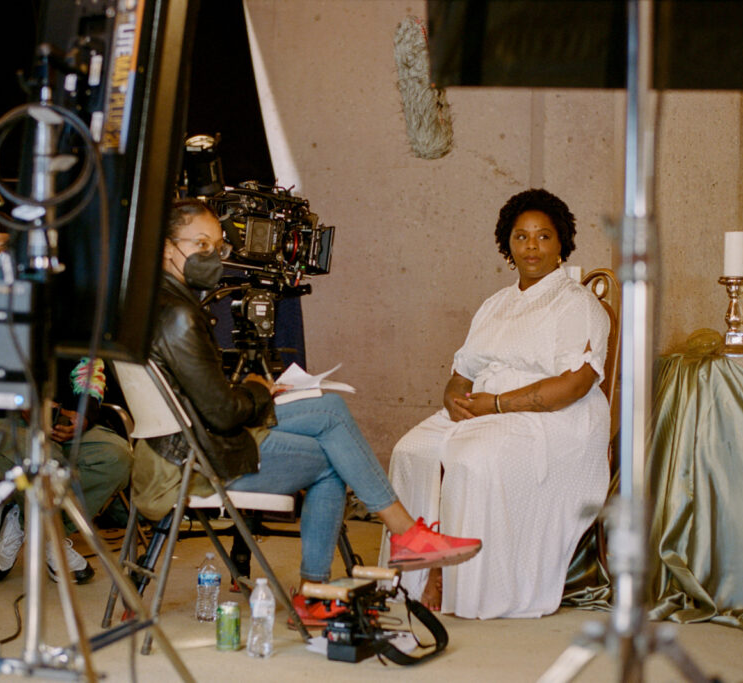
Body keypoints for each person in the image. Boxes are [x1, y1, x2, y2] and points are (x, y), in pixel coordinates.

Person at [142, 198, 481, 623]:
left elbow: (196, 395)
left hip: (175, 444)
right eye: (200, 245)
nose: (213, 257)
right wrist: (255, 389)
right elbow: (225, 414)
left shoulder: (156, 302)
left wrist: (259, 392)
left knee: (330, 414)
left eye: (218, 247)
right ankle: (349, 569)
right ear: (166, 247)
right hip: (190, 459)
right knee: (334, 448)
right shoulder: (178, 316)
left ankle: (378, 553)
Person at [380, 188, 611, 619]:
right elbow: (461, 372)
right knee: (411, 451)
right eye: (521, 237)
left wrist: (499, 404)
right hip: (484, 404)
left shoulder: (578, 303)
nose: (532, 247)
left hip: (555, 418)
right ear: (507, 245)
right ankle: (417, 570)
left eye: (544, 237)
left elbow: (576, 384)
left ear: (562, 242)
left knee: (472, 456)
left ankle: (453, 579)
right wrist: (453, 396)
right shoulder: (495, 304)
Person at [0, 212, 133, 584]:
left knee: (115, 456)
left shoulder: (58, 302)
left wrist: (83, 413)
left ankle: (23, 522)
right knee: (42, 459)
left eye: (6, 247)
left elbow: (87, 362)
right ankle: (52, 541)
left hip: (57, 420)